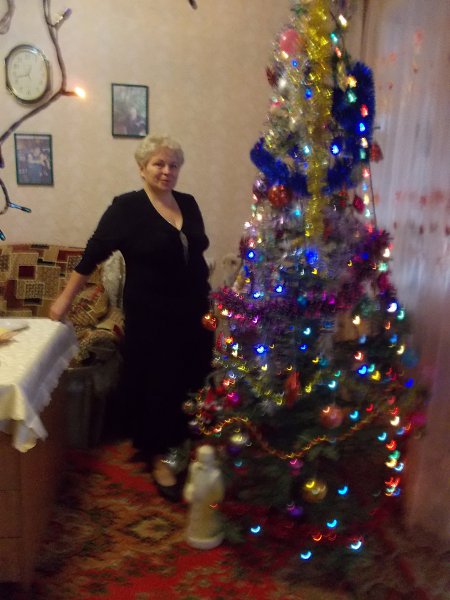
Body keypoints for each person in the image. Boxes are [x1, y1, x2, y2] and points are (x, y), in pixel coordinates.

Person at [50, 134, 213, 501]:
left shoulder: (188, 202)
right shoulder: (126, 208)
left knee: (192, 375)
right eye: (159, 163)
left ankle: (181, 440)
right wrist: (64, 299)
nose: (167, 171)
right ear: (142, 168)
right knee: (159, 383)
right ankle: (158, 453)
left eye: (173, 165)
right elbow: (92, 254)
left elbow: (196, 255)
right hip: (152, 315)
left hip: (193, 310)